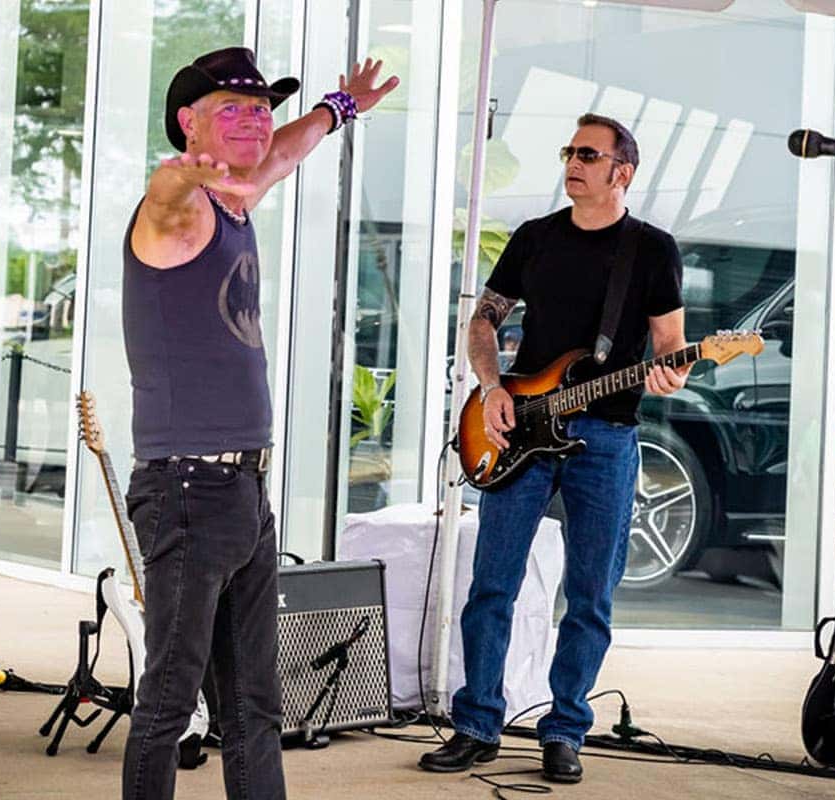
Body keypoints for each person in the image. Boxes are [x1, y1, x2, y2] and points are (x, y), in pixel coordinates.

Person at [120, 47, 397, 800]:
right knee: (170, 704)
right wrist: (185, 171)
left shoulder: (241, 195)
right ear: (188, 123)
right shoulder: (175, 212)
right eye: (231, 109)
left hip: (243, 490)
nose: (255, 122)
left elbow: (288, 146)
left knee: (255, 706)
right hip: (186, 489)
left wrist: (341, 108)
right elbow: (165, 189)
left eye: (259, 108)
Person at [418, 113, 689, 784]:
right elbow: (484, 317)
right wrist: (490, 388)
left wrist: (671, 374)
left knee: (591, 594)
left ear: (621, 172)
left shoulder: (652, 250)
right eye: (570, 150)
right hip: (521, 428)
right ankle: (477, 722)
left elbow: (670, 355)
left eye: (588, 154)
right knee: (492, 585)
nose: (573, 161)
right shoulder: (536, 238)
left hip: (607, 438)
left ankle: (565, 730)